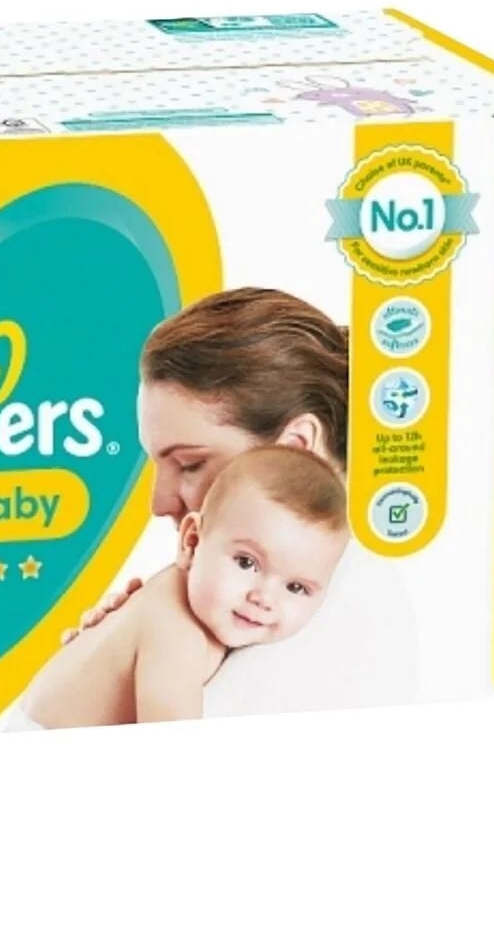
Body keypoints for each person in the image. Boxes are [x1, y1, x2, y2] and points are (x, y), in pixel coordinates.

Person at [58, 285, 417, 715]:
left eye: (190, 464)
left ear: (297, 446)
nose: (159, 503)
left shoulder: (348, 618)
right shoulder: (233, 610)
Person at [0, 448, 349, 730]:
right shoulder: (176, 632)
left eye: (296, 587)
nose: (263, 598)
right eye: (246, 563)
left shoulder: (203, 604)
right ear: (192, 541)